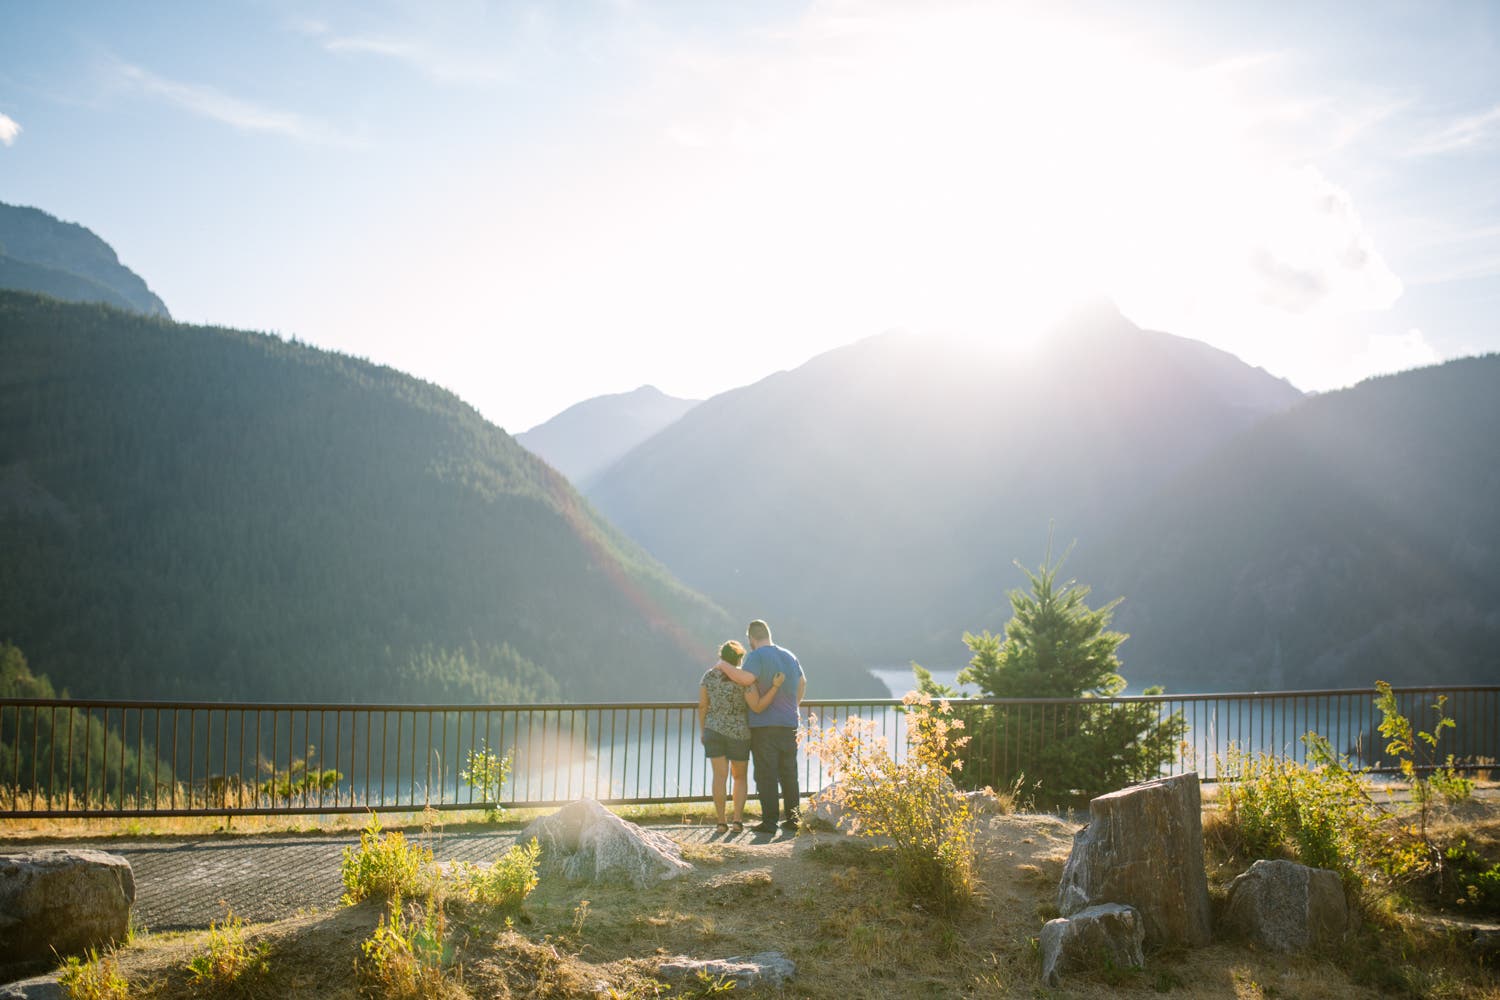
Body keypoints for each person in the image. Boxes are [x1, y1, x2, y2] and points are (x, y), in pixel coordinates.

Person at [740, 619, 805, 834]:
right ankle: (794, 819)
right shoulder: (789, 655)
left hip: (764, 726)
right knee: (789, 773)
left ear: (751, 638)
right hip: (789, 723)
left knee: (766, 774)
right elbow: (803, 682)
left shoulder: (755, 657)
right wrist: (793, 706)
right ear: (769, 633)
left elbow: (747, 680)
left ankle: (769, 823)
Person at [698, 640, 755, 833]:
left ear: (721, 656)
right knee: (739, 777)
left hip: (713, 729)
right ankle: (737, 821)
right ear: (739, 658)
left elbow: (703, 706)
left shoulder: (708, 676)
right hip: (739, 731)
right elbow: (752, 703)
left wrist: (703, 730)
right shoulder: (743, 678)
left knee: (719, 776)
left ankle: (721, 822)